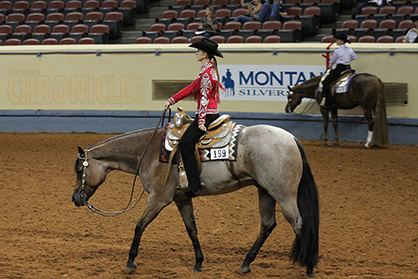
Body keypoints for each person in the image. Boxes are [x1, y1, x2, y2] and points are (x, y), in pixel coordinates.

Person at [164, 38, 225, 193]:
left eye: (198, 51)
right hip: (211, 112)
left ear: (205, 54)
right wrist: (173, 99)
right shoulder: (208, 70)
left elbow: (204, 98)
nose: (196, 54)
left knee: (185, 143)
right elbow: (192, 88)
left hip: (207, 114)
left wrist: (201, 121)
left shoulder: (206, 73)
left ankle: (194, 185)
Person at [320, 34, 357, 109]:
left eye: (337, 40)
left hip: (340, 68)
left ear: (341, 41)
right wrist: (347, 60)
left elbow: (332, 61)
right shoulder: (349, 50)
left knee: (326, 82)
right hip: (348, 67)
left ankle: (329, 102)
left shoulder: (337, 51)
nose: (336, 41)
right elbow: (354, 57)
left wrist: (330, 66)